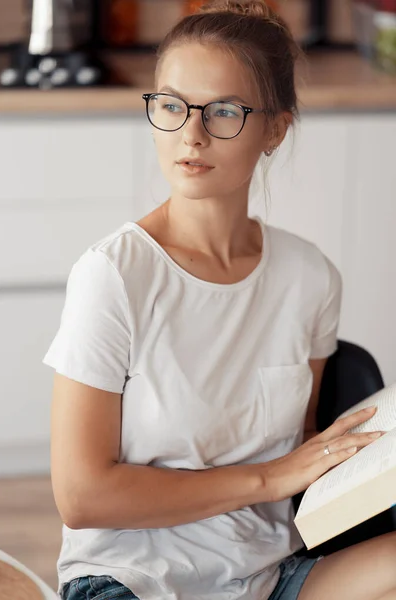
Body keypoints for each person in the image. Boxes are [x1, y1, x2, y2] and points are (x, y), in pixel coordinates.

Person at [43, 1, 396, 599]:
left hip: (272, 575)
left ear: (275, 129)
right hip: (134, 579)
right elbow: (82, 497)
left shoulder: (310, 276)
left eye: (225, 110)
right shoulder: (113, 276)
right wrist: (269, 477)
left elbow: (301, 458)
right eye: (173, 106)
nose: (192, 134)